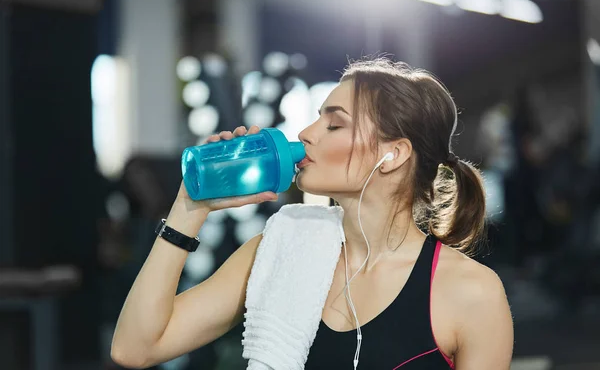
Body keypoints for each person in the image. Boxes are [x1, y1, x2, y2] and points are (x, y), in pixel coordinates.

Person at [111, 58, 514, 369]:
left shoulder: (472, 293)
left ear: (392, 155)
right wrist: (188, 208)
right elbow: (135, 348)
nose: (306, 133)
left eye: (334, 124)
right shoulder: (278, 252)